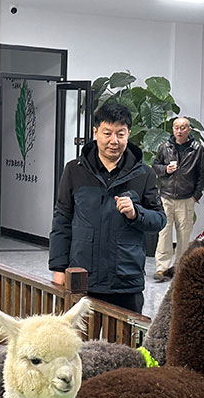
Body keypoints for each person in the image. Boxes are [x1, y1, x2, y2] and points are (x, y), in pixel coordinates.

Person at [48, 102, 166, 313]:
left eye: (120, 134)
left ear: (128, 134)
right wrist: (58, 268)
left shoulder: (144, 174)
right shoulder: (75, 170)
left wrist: (136, 213)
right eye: (107, 133)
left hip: (125, 281)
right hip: (82, 278)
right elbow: (62, 220)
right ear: (95, 133)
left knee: (126, 335)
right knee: (80, 335)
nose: (114, 141)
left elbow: (159, 220)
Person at [151, 116, 204, 281]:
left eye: (183, 127)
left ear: (189, 130)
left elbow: (201, 175)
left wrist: (195, 196)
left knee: (183, 235)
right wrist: (165, 170)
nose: (179, 131)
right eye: (176, 127)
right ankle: (161, 269)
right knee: (164, 233)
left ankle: (179, 269)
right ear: (173, 129)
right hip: (166, 197)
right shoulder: (164, 147)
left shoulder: (197, 149)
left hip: (186, 198)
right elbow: (155, 166)